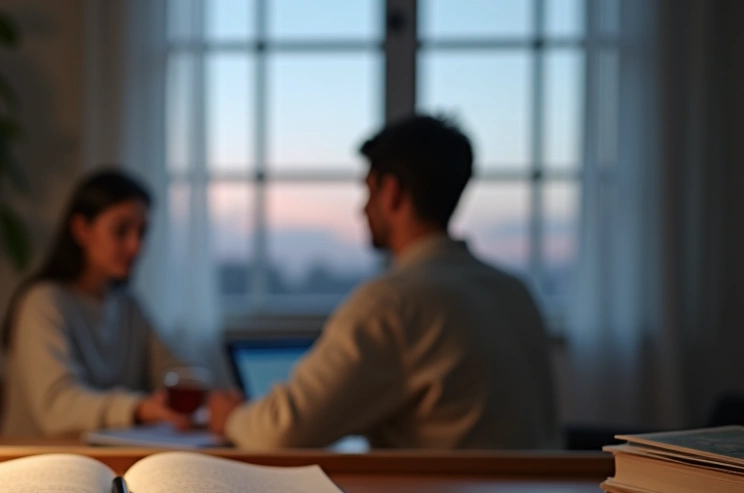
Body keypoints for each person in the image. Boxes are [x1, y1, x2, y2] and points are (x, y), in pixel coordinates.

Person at [208, 115, 558, 450]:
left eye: (368, 192)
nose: (362, 210)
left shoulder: (393, 303)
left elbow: (282, 430)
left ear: (391, 192)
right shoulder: (515, 291)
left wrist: (232, 417)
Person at [0, 168, 192, 437]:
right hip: (38, 465)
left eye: (142, 232)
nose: (136, 246)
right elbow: (57, 407)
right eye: (121, 230)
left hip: (104, 459)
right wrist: (137, 409)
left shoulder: (129, 305)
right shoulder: (43, 302)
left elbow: (173, 370)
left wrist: (209, 395)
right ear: (81, 230)